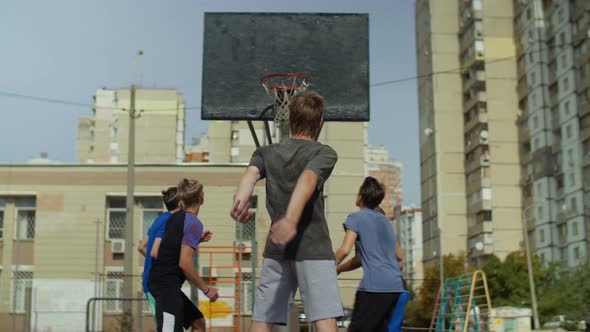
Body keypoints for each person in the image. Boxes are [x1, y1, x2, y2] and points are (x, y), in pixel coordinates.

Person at [231, 91, 343, 332]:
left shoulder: (265, 152)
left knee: (263, 320)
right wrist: (291, 219)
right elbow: (308, 178)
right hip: (314, 249)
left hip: (277, 250)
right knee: (324, 320)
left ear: (289, 120)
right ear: (320, 122)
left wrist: (240, 200)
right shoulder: (323, 153)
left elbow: (250, 175)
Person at [335, 177, 405, 332]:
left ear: (361, 196)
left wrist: (328, 267)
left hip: (374, 287)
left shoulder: (355, 218)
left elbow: (344, 250)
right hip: (395, 286)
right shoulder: (385, 221)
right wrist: (339, 269)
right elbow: (399, 256)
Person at [149, 179, 219, 332]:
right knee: (169, 329)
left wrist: (196, 240)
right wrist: (206, 289)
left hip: (163, 282)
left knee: (198, 322)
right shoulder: (194, 223)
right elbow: (184, 263)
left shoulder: (175, 217)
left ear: (182, 201)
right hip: (165, 285)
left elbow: (171, 246)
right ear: (202, 198)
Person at [137, 187, 181, 320]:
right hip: (159, 285)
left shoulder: (160, 218)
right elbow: (155, 251)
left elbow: (141, 247)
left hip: (150, 282)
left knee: (165, 324)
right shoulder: (170, 221)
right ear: (181, 204)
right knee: (166, 325)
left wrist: (152, 264)